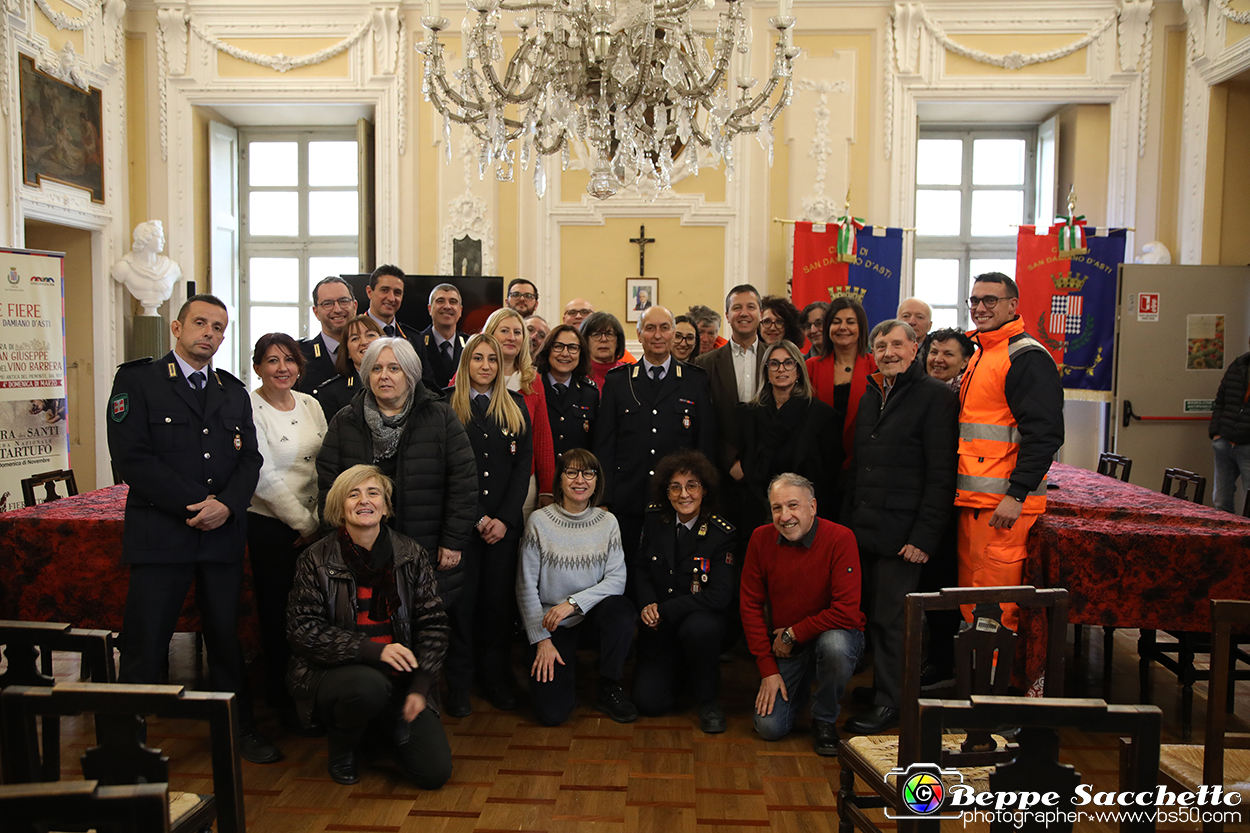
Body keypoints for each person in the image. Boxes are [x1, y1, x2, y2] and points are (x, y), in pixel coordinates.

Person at [106, 294, 280, 763]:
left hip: (221, 535)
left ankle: (238, 731)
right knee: (145, 644)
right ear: (177, 328)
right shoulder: (138, 381)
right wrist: (196, 504)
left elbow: (250, 458)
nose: (209, 333)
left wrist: (225, 504)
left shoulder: (231, 390)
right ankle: (127, 746)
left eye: (219, 327)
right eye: (200, 323)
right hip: (162, 534)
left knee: (226, 640)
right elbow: (132, 459)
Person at [286, 465, 451, 788]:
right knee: (367, 687)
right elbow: (302, 630)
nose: (365, 501)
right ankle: (343, 748)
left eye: (373, 493)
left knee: (434, 773)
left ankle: (376, 729)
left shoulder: (411, 554)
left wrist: (421, 686)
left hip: (400, 681)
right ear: (339, 507)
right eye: (353, 494)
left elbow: (434, 625)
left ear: (386, 506)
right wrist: (373, 650)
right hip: (336, 676)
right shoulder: (314, 559)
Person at [841, 320, 957, 736]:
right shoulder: (874, 393)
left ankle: (893, 704)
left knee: (894, 623)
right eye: (880, 345)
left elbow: (941, 475)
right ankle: (882, 688)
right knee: (875, 617)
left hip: (905, 536)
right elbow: (860, 463)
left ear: (915, 349)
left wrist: (924, 538)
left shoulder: (934, 397)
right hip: (868, 529)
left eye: (896, 344)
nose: (888, 351)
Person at [316, 337, 478, 629]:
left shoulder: (440, 416)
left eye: (394, 368)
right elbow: (329, 485)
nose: (384, 376)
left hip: (426, 547)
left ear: (411, 374)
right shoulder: (346, 421)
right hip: (361, 551)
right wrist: (339, 541)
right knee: (371, 631)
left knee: (423, 631)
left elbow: (463, 482)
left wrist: (453, 541)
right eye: (376, 369)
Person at [955, 273, 1063, 630]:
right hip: (975, 501)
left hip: (1003, 506)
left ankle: (993, 683)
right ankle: (973, 675)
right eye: (975, 301)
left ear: (1013, 305)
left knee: (996, 608)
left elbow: (1045, 434)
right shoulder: (984, 353)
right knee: (972, 599)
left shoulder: (1025, 356)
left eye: (990, 300)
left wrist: (1016, 494)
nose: (980, 308)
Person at [740, 473, 863, 755]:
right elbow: (750, 606)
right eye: (777, 508)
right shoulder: (760, 539)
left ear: (813, 507)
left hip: (833, 635)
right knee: (769, 728)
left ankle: (824, 718)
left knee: (834, 646)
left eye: (793, 505)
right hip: (789, 648)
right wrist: (768, 670)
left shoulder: (841, 538)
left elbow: (846, 612)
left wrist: (792, 632)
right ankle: (801, 687)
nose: (785, 516)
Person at [445, 334, 533, 716]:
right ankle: (460, 685)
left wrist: (504, 519)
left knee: (497, 606)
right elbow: (448, 472)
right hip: (463, 526)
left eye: (492, 360)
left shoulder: (515, 406)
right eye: (477, 358)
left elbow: (521, 469)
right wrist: (479, 517)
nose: (485, 366)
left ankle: (495, 678)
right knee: (462, 607)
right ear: (466, 364)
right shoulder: (447, 406)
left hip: (503, 528)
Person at [516, 448, 637, 725]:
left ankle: (609, 687)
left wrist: (573, 603)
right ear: (560, 480)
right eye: (571, 472)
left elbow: (617, 581)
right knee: (552, 715)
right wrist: (541, 640)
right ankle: (547, 660)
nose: (579, 480)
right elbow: (525, 587)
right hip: (551, 624)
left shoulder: (608, 522)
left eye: (588, 473)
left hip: (591, 617)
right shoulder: (539, 522)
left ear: (597, 481)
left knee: (621, 609)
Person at [247, 332, 328, 733]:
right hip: (273, 530)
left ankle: (316, 695)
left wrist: (320, 523)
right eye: (272, 361)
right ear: (258, 366)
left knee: (318, 617)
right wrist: (305, 524)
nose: (282, 368)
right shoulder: (249, 406)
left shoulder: (311, 404)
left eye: (289, 360)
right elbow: (262, 478)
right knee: (281, 620)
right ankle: (282, 703)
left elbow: (325, 463)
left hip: (315, 529)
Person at [595, 306, 717, 563]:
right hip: (628, 498)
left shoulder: (695, 381)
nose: (658, 335)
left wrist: (703, 497)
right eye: (650, 328)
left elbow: (705, 443)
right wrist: (604, 500)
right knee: (625, 570)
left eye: (664, 328)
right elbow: (604, 445)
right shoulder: (619, 381)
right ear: (639, 335)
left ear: (673, 333)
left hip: (679, 499)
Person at [631, 451, 735, 733]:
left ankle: (706, 698)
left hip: (699, 623)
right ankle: (681, 672)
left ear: (704, 490)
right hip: (660, 627)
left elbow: (720, 595)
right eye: (675, 487)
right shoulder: (655, 520)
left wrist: (664, 609)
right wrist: (648, 603)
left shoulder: (720, 533)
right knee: (648, 703)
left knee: (699, 629)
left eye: (692, 485)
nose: (683, 494)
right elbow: (640, 566)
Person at [736, 340, 840, 528]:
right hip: (761, 510)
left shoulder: (821, 415)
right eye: (774, 364)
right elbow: (747, 462)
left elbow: (830, 472)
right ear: (766, 372)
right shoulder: (749, 414)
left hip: (806, 513)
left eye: (788, 363)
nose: (781, 369)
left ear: (798, 371)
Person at [482, 308, 557, 513]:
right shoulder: (470, 375)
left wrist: (547, 489)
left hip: (523, 483)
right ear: (490, 334)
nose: (511, 338)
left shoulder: (532, 381)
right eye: (504, 331)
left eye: (517, 332)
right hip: (478, 481)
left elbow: (542, 437)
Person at [696, 285, 764, 475]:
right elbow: (704, 421)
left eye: (751, 307)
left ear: (760, 313)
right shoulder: (705, 364)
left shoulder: (775, 359)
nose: (744, 313)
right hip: (722, 471)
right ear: (727, 315)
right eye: (737, 308)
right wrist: (730, 460)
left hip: (769, 467)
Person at [805, 296, 875, 480]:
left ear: (861, 328)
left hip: (863, 465)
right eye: (836, 322)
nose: (843, 327)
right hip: (819, 466)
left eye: (850, 322)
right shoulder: (811, 367)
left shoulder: (876, 367)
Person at [535, 324, 598, 459]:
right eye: (558, 346)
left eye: (573, 348)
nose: (565, 353)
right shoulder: (533, 388)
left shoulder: (590, 393)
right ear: (548, 350)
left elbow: (595, 443)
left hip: (577, 475)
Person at [309, 314, 383, 421]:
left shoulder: (403, 382)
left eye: (370, 335)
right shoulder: (331, 392)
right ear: (347, 352)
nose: (364, 342)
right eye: (355, 338)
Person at [298, 276, 358, 396]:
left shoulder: (372, 352)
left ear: (355, 306)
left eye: (344, 301)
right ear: (316, 312)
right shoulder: (300, 355)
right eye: (328, 304)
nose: (337, 309)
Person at [1210, 337, 1250, 513]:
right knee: (1220, 500)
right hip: (1225, 443)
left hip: (1247, 446)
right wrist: (1216, 433)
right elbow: (1221, 400)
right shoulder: (1238, 366)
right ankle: (1225, 539)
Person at [110, 220, 182, 316]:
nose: (163, 241)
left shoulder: (171, 267)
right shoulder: (124, 267)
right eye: (159, 237)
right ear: (146, 239)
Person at [420, 283, 469, 391]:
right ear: (430, 309)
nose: (447, 306)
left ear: (460, 311)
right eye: (440, 301)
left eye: (453, 302)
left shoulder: (470, 345)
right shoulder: (416, 344)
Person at [365, 264, 417, 340]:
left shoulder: (415, 340)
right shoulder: (351, 334)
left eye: (397, 292)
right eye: (384, 290)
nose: (391, 298)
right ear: (369, 292)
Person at [582, 311, 631, 391]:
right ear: (586, 341)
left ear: (618, 341)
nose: (604, 339)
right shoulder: (577, 375)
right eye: (596, 335)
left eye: (609, 334)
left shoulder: (629, 374)